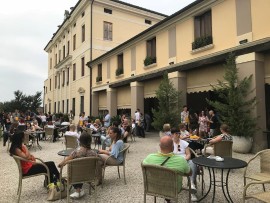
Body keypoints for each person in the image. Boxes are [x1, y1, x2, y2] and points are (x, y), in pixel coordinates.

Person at [143, 136, 191, 203]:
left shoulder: (149, 157)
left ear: (160, 146)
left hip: (154, 187)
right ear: (173, 147)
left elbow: (143, 165)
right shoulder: (181, 160)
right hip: (173, 189)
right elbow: (189, 173)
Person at [58, 132, 103, 199]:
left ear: (80, 141)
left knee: (74, 169)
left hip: (76, 176)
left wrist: (60, 164)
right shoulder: (94, 154)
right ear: (90, 141)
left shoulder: (76, 152)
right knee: (82, 168)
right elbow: (100, 162)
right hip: (90, 176)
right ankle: (79, 190)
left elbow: (64, 162)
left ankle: (77, 190)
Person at [171, 128, 198, 201]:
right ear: (172, 134)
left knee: (192, 162)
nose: (178, 135)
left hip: (184, 160)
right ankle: (170, 191)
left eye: (179, 133)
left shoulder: (184, 143)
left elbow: (188, 154)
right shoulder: (170, 143)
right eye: (177, 133)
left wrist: (184, 159)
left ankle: (192, 185)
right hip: (174, 163)